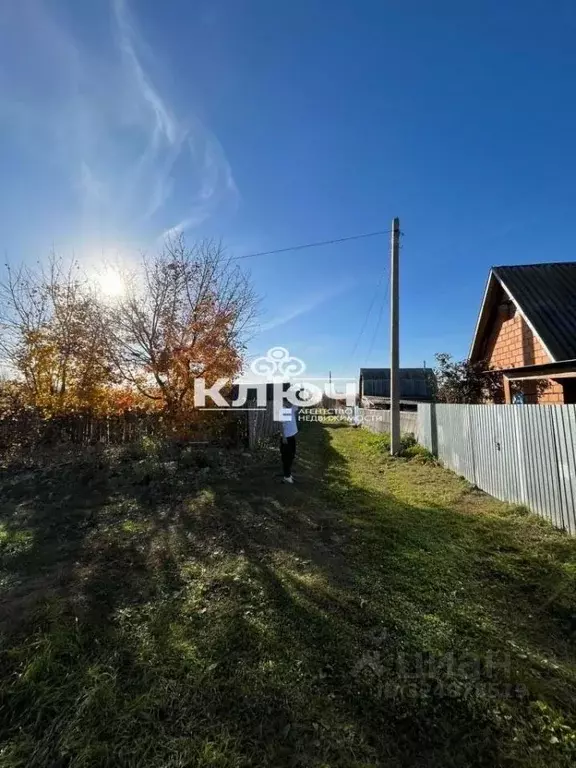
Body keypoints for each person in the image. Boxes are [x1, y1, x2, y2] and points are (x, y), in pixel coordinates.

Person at [279, 398, 299, 484]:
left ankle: (288, 475)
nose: (289, 402)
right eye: (287, 401)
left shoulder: (292, 408)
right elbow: (280, 425)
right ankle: (286, 477)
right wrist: (283, 437)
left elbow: (298, 404)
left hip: (292, 437)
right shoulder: (283, 410)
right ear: (283, 402)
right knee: (286, 458)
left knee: (292, 456)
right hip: (286, 438)